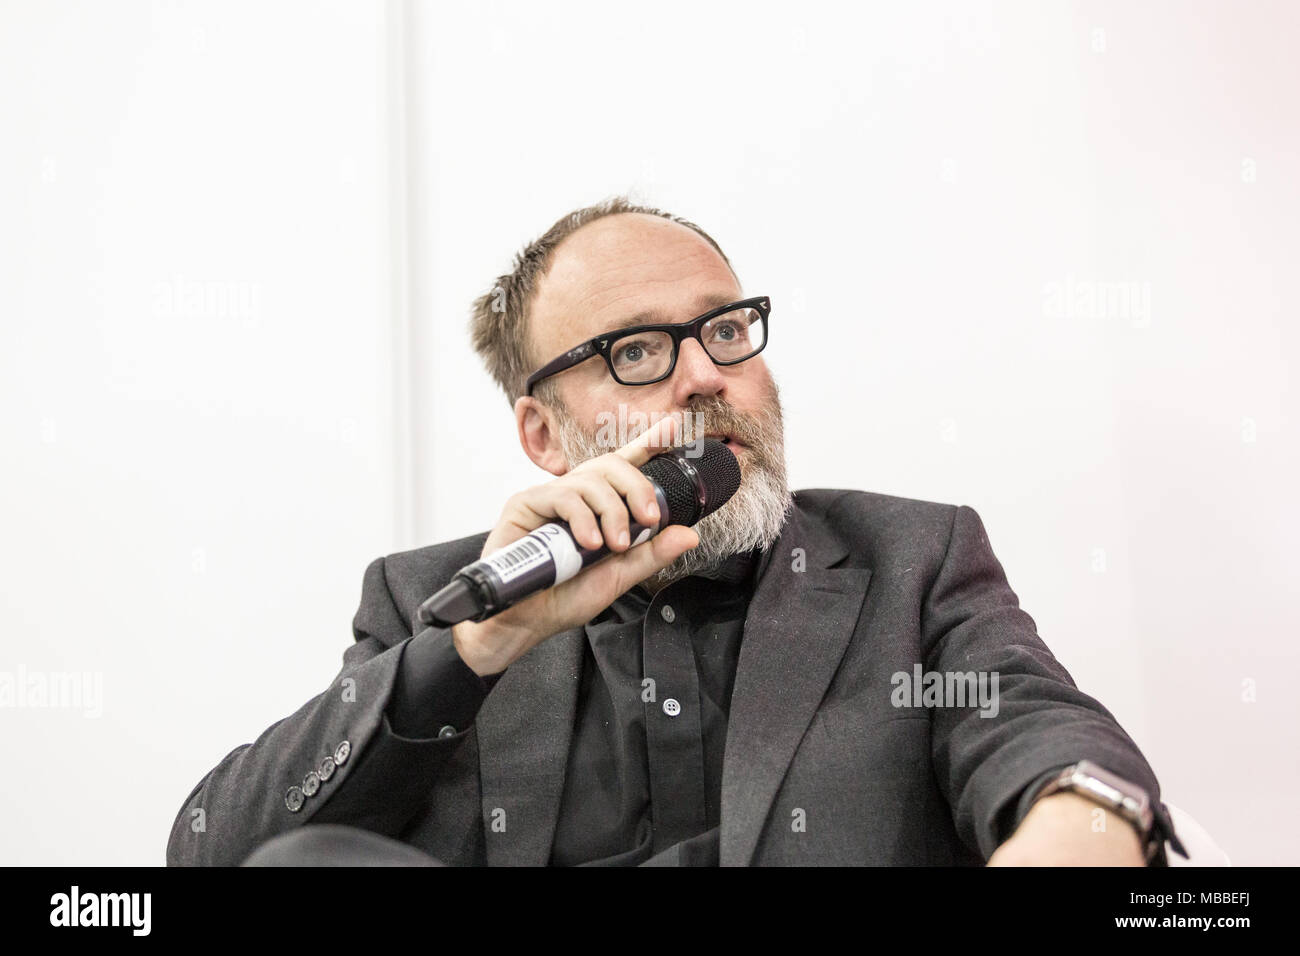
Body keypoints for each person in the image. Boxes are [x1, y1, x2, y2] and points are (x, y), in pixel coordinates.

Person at [167, 196, 1185, 867]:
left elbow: (1043, 731)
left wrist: (1078, 813)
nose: (706, 374)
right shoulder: (437, 600)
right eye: (640, 349)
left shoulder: (906, 563)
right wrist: (474, 649)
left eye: (726, 329)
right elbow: (215, 851)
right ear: (544, 432)